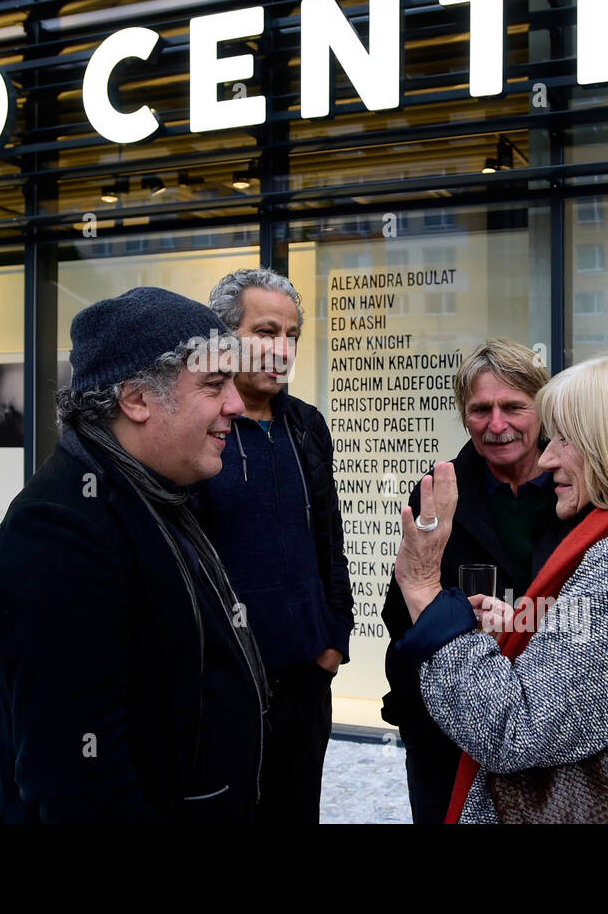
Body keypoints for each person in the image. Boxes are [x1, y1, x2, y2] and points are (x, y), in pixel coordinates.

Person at [390, 349, 608, 823]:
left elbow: (512, 730)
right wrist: (533, 635)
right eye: (480, 409)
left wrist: (424, 590)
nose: (546, 457)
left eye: (564, 438)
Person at [0, 286, 268, 823]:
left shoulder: (155, 493)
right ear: (136, 400)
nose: (236, 403)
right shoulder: (61, 533)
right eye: (213, 384)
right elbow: (78, 785)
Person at [381, 339, 569, 823]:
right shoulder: (438, 489)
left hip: (553, 727)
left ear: (542, 410)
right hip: (450, 733)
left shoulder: (577, 490)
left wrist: (521, 626)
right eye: (480, 409)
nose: (497, 425)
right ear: (464, 416)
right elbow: (400, 609)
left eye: (513, 407)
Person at [195, 268, 353, 823]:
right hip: (225, 685)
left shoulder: (306, 425)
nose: (281, 349)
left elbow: (330, 541)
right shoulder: (196, 427)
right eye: (265, 332)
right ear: (223, 338)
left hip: (306, 675)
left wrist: (334, 641)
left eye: (292, 336)